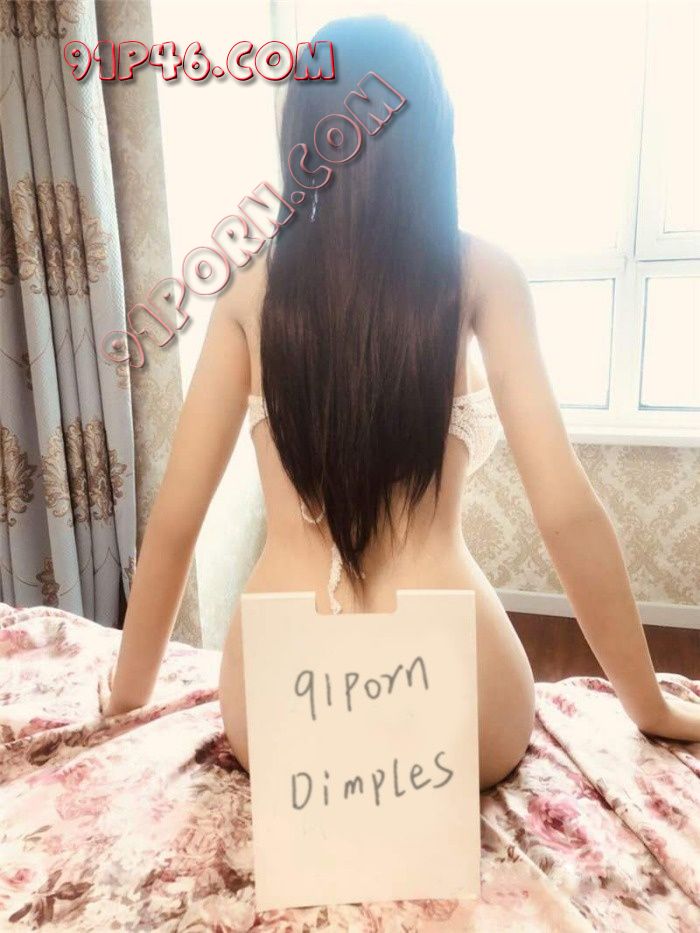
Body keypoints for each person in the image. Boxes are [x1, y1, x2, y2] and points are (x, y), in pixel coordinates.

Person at [106, 15, 700, 789]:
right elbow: (566, 511)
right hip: (461, 703)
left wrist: (127, 697)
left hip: (280, 709)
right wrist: (649, 704)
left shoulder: (248, 290)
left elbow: (175, 521)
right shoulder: (482, 275)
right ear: (433, 134)